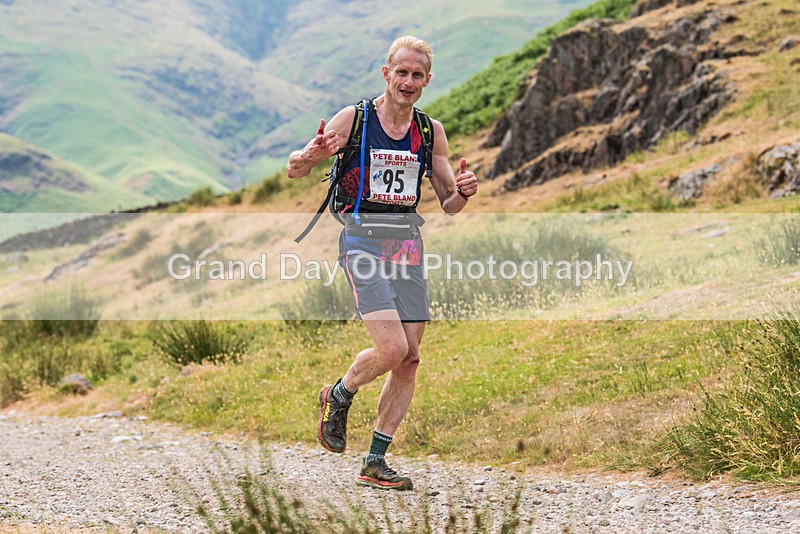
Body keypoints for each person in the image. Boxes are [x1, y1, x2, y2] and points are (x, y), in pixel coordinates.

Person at [286, 35, 477, 491]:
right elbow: (294, 167)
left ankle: (375, 461)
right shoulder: (355, 119)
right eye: (401, 72)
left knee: (409, 359)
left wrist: (464, 192)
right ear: (386, 73)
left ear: (427, 81)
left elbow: (448, 203)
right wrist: (310, 156)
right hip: (362, 243)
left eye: (417, 75)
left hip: (407, 245)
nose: (408, 82)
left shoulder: (430, 132)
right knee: (391, 349)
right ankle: (339, 392)